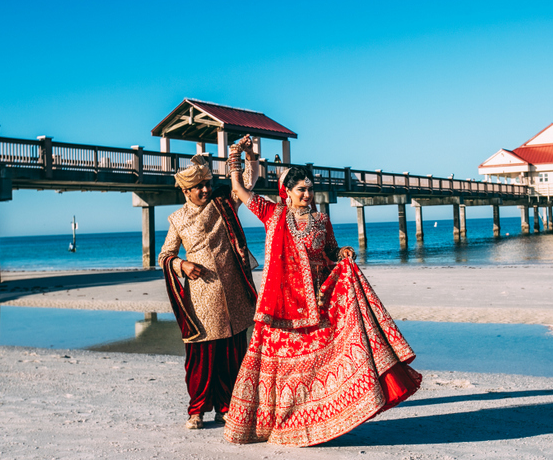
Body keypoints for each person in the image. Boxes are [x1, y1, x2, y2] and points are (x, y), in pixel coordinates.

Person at [223, 142, 421, 447]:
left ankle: (318, 421)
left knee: (315, 368)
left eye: (310, 189)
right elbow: (238, 187)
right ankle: (268, 425)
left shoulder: (321, 221)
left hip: (317, 304)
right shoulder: (272, 215)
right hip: (280, 311)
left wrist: (342, 252)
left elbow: (330, 252)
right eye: (301, 189)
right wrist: (239, 155)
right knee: (277, 371)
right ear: (287, 191)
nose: (307, 194)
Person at [158, 137, 260, 430]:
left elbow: (247, 183)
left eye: (207, 184)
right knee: (201, 358)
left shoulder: (223, 203)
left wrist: (249, 157)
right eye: (198, 187)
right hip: (201, 297)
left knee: (232, 354)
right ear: (186, 191)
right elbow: (165, 255)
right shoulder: (177, 219)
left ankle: (227, 407)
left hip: (233, 290)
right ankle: (197, 410)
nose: (205, 190)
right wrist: (182, 265)